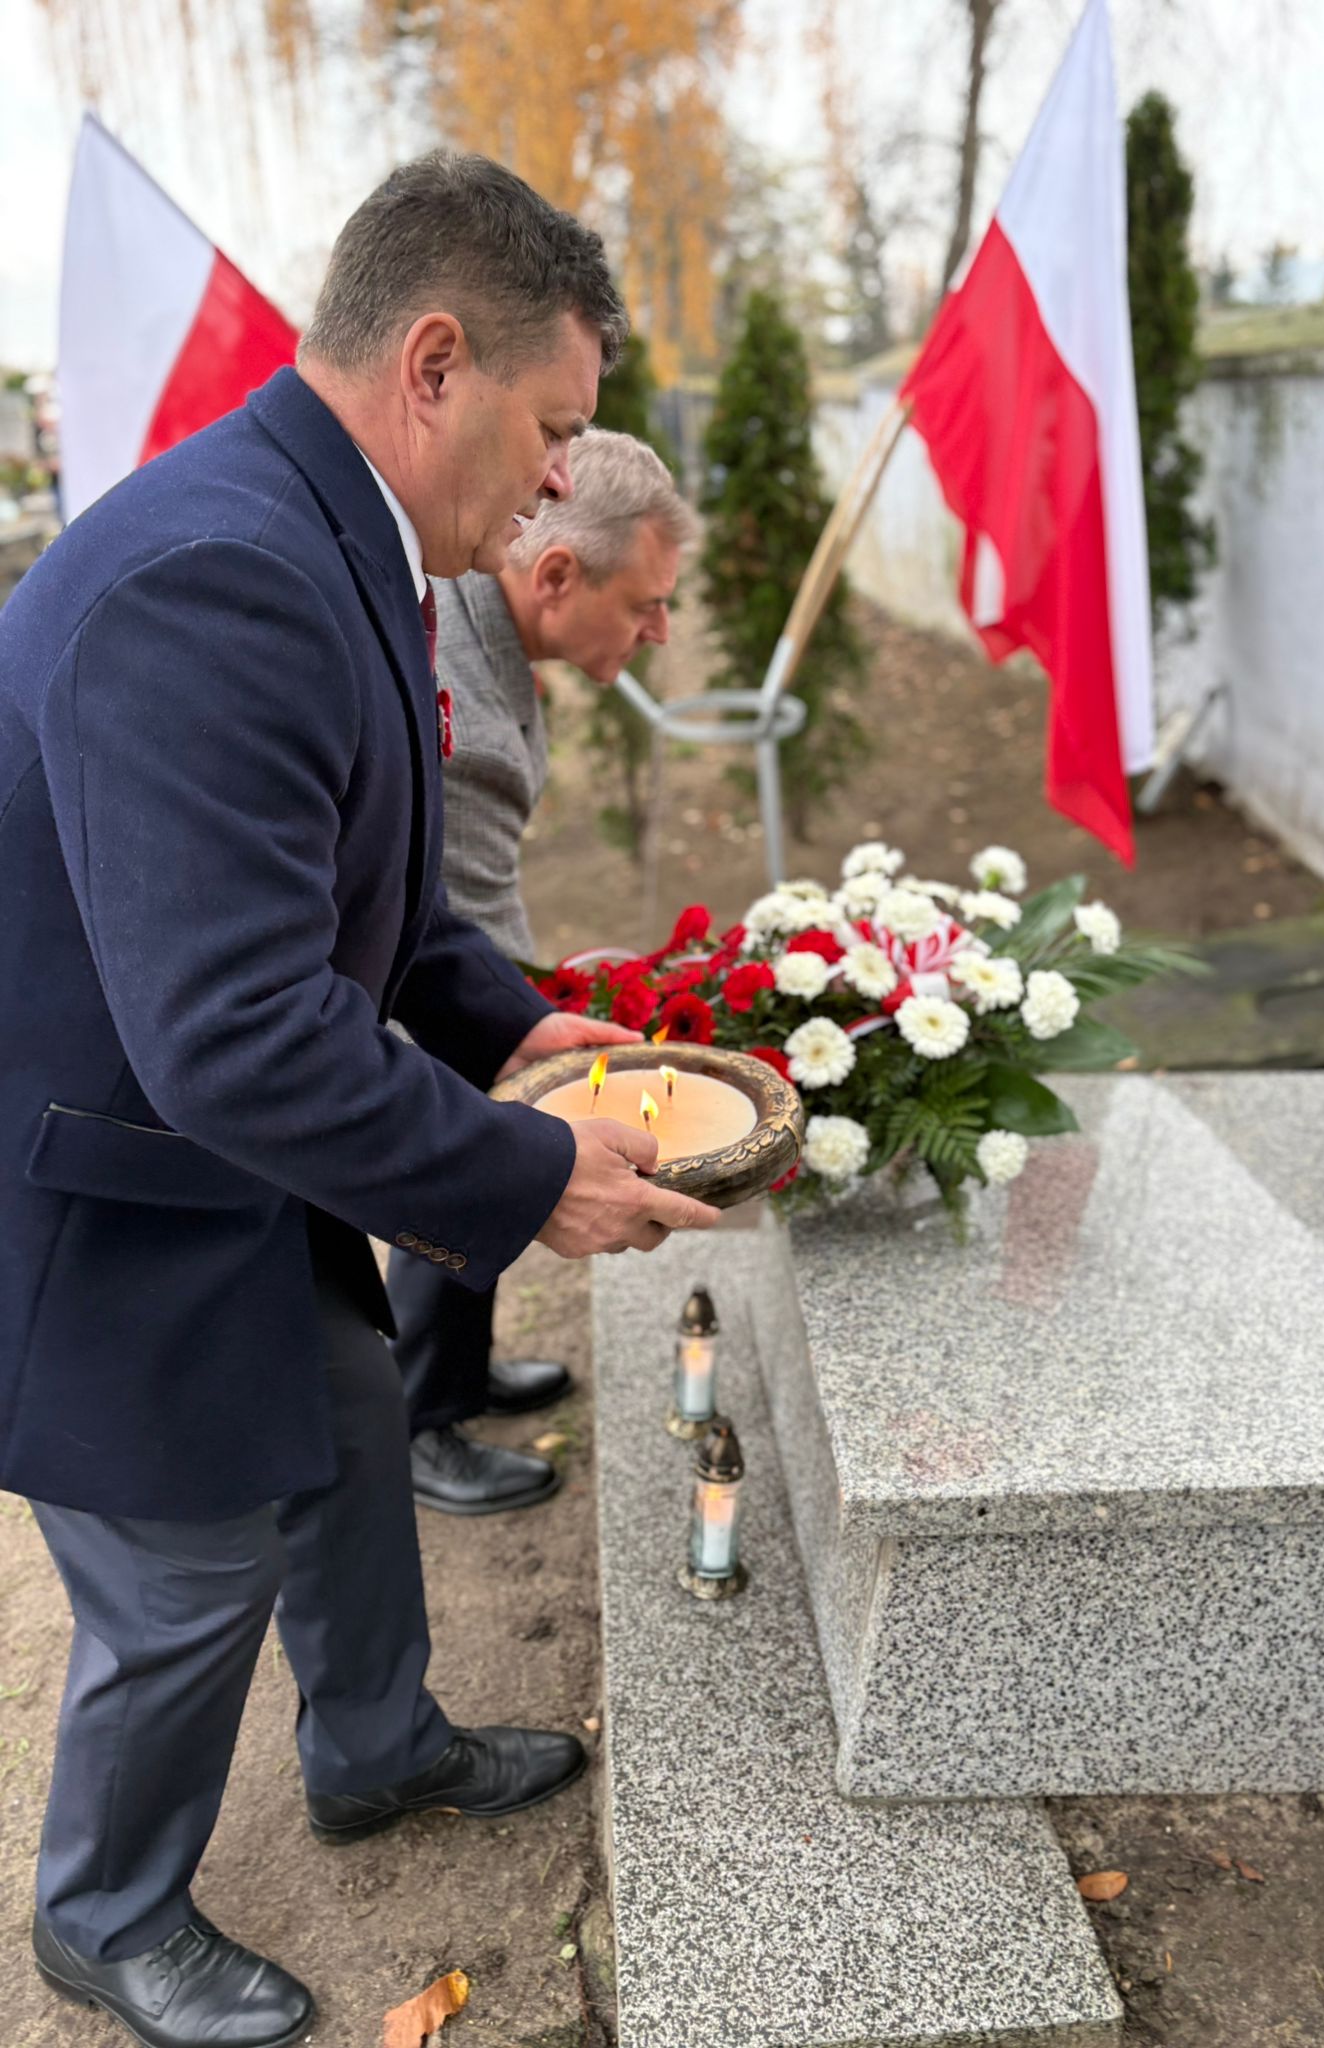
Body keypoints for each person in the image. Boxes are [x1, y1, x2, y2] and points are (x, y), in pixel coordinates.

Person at [0, 149, 717, 2048]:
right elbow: (234, 1026)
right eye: (550, 429)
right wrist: (526, 1173)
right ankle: (102, 1911)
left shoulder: (332, 536)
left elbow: (361, 889)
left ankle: (375, 1743)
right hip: (92, 1177)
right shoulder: (225, 572)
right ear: (433, 363)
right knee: (186, 1575)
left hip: (203, 1154)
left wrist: (513, 1027)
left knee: (337, 1436)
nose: (557, 477)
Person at [398, 428, 699, 1514]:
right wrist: (534, 1019)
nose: (661, 631)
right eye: (645, 604)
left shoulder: (483, 615)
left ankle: (459, 1371)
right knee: (472, 1131)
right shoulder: (461, 703)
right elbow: (462, 924)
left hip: (445, 952)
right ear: (559, 575)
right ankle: (420, 1417)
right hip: (407, 987)